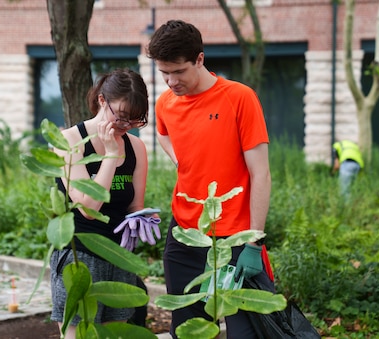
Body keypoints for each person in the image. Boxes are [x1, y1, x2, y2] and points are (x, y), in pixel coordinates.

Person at [147, 20, 273, 338]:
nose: (171, 81)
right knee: (188, 332)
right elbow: (163, 133)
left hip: (235, 240)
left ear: (200, 59)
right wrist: (181, 160)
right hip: (186, 236)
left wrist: (254, 242)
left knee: (249, 333)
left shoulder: (239, 98)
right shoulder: (165, 104)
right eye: (164, 73)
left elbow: (261, 174)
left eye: (178, 71)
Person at [49, 68, 150, 338]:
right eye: (122, 116)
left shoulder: (137, 148)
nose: (125, 126)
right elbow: (88, 207)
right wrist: (111, 154)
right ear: (103, 100)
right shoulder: (69, 141)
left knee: (113, 334)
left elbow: (134, 205)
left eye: (135, 120)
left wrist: (142, 222)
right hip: (79, 257)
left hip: (118, 257)